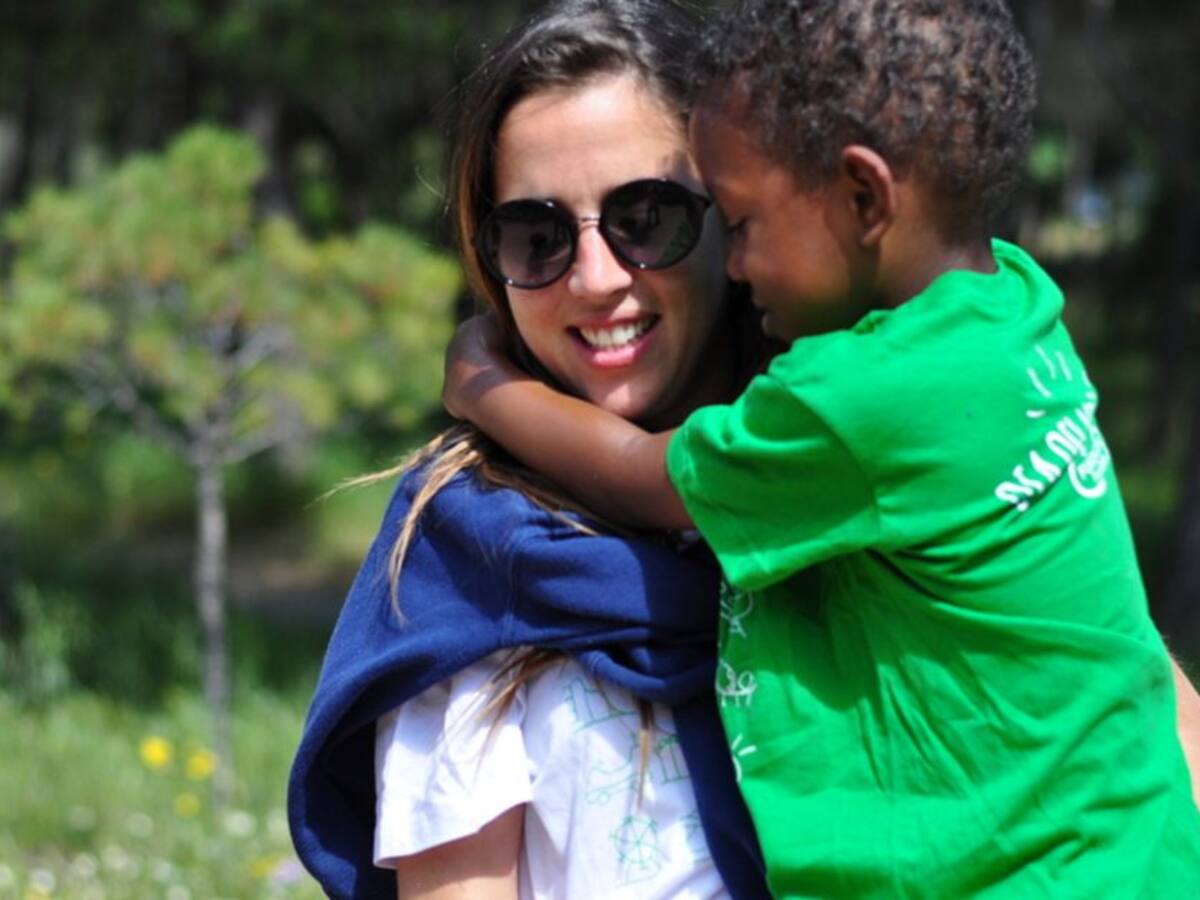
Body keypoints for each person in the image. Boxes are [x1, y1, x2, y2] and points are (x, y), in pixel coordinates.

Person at [441, 0, 1200, 895]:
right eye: (534, 237)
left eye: (735, 221)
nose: (735, 262)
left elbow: (646, 478)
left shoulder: (858, 407)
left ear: (864, 197)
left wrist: (481, 380)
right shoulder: (1016, 309)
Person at [287, 2, 773, 898]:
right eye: (537, 236)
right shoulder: (470, 567)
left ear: (731, 216)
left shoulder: (849, 495)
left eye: (648, 217)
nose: (595, 279)